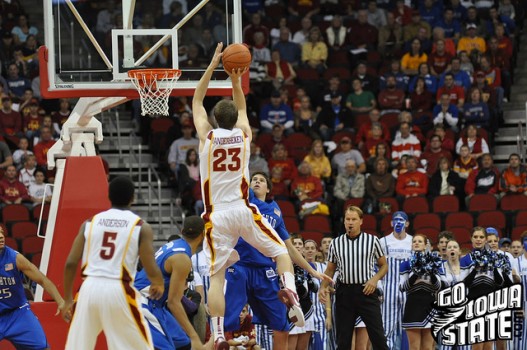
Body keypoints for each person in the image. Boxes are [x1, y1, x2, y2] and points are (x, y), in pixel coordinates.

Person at [192, 43, 304, 350]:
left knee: (217, 277)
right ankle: (290, 291)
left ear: (215, 119)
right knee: (281, 252)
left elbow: (197, 100)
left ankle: (216, 332)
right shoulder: (244, 135)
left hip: (217, 215)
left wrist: (214, 64)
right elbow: (241, 107)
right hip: (244, 210)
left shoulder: (208, 136)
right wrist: (234, 77)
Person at [225, 172, 330, 350]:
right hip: (240, 266)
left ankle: (289, 289)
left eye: (261, 180)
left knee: (281, 323)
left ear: (268, 188)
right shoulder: (247, 199)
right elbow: (240, 176)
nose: (256, 182)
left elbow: (289, 248)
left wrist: (312, 271)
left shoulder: (275, 211)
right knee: (227, 321)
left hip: (265, 269)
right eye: (254, 180)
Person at [62, 176, 165, 350]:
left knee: (77, 346)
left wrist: (67, 300)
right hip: (118, 289)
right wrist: (158, 282)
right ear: (133, 198)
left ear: (108, 196)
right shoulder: (140, 226)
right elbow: (149, 264)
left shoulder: (89, 223)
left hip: (88, 289)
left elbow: (71, 263)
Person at [319, 206, 389, 350]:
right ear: (344, 222)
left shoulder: (372, 240)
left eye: (354, 219)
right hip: (345, 292)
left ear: (361, 221)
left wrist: (375, 279)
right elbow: (330, 269)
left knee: (378, 337)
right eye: (347, 219)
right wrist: (322, 286)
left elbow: (384, 266)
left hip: (367, 291)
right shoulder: (336, 243)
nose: (350, 222)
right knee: (343, 340)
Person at [134, 216, 206, 350]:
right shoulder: (182, 258)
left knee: (184, 344)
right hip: (143, 302)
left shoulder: (174, 245)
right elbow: (174, 302)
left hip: (158, 304)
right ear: (203, 234)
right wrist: (195, 337)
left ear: (183, 230)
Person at [0, 226, 66, 348]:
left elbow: (42, 279)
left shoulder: (15, 258)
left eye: (2, 232)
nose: (1, 236)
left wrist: (60, 301)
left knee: (43, 348)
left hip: (18, 313)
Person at [400, 234, 441, 350]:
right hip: (413, 306)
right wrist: (417, 272)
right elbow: (402, 287)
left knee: (428, 347)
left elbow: (438, 287)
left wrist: (430, 269)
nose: (416, 243)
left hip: (430, 306)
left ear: (425, 245)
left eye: (420, 241)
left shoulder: (435, 262)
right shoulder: (406, 264)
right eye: (414, 241)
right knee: (414, 347)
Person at [380, 211, 413, 350]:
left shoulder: (413, 241)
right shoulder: (383, 241)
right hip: (389, 287)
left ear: (407, 223)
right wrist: (379, 288)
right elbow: (377, 267)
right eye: (396, 220)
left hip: (408, 288)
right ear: (391, 223)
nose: (398, 223)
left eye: (402, 220)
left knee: (409, 325)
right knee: (387, 325)